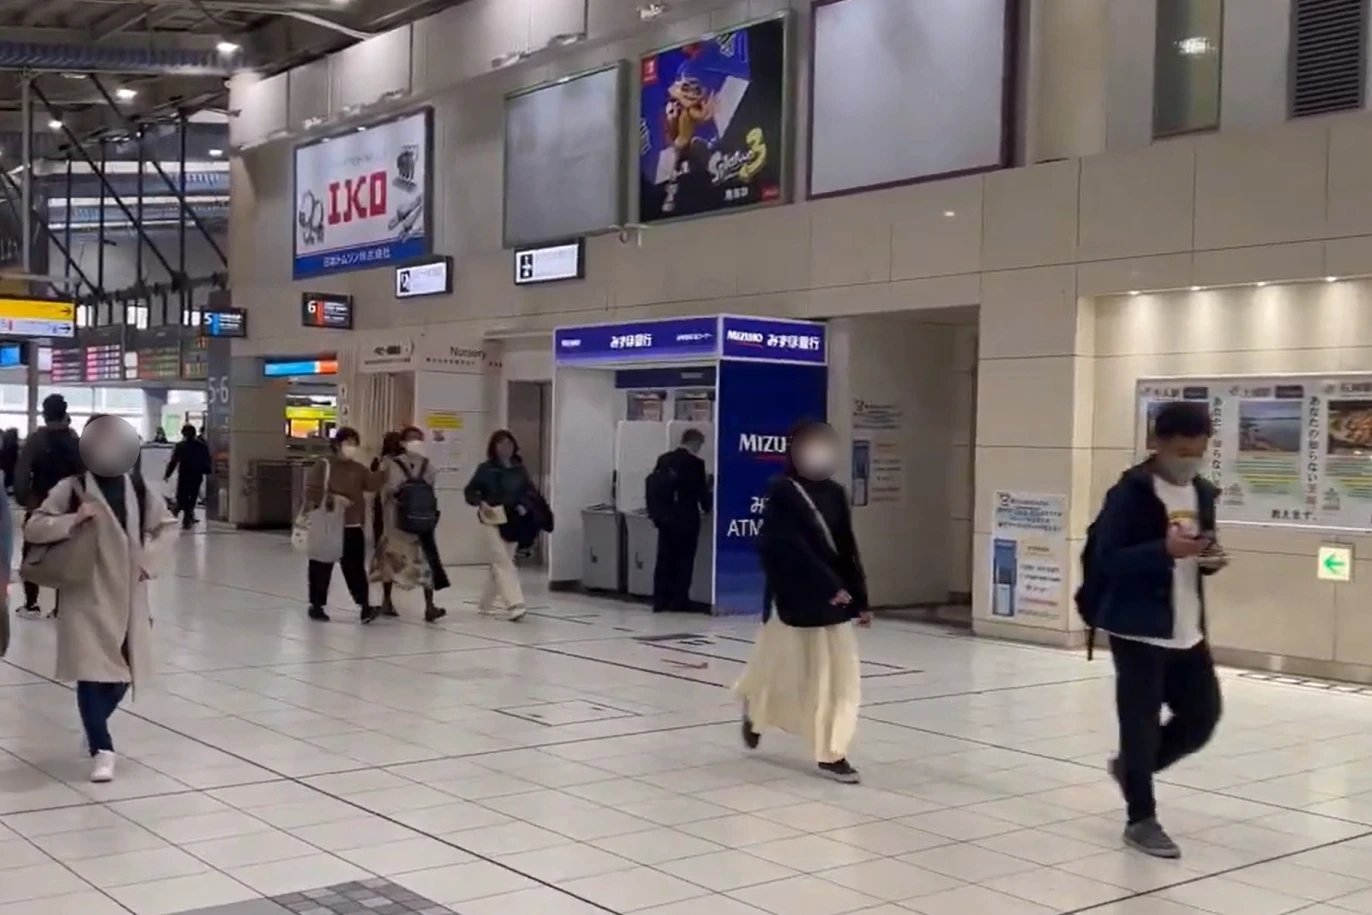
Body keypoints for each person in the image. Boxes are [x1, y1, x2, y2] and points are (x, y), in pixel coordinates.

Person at [1086, 401, 1225, 859]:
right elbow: (1108, 560)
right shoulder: (1129, 494)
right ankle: (1140, 818)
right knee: (1140, 724)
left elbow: (1200, 551)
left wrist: (1209, 558)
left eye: (1198, 451)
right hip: (1138, 627)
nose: (1189, 460)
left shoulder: (1202, 492)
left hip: (1187, 627)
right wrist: (1162, 549)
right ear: (1157, 444)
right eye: (1181, 450)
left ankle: (1132, 771)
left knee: (1202, 718)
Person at [24, 415, 177, 782]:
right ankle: (102, 748)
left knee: (123, 674)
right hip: (85, 595)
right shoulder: (72, 488)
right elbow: (34, 525)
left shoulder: (138, 487)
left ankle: (94, 728)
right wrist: (74, 519)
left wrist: (147, 563)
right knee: (92, 674)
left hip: (128, 595)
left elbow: (166, 527)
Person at [735, 421, 871, 784]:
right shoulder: (783, 491)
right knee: (778, 671)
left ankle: (832, 752)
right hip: (794, 599)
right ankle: (756, 709)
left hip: (834, 602)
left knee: (837, 679)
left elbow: (845, 546)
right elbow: (786, 546)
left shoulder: (836, 493)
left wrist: (859, 597)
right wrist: (829, 585)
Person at [372, 426, 451, 623]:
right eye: (412, 438)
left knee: (425, 564)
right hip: (396, 524)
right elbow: (383, 491)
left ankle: (429, 605)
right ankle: (387, 600)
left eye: (419, 438)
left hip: (413, 522)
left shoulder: (427, 465)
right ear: (403, 442)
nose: (416, 442)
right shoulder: (391, 465)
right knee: (391, 561)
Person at [14, 395, 83, 619]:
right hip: (71, 508)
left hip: (41, 504)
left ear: (44, 413)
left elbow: (22, 475)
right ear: (65, 413)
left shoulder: (37, 440)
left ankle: (31, 605)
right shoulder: (76, 441)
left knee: (32, 556)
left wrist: (27, 500)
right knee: (67, 558)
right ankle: (61, 609)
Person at [304, 427, 381, 623]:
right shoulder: (324, 466)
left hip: (352, 525)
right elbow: (312, 493)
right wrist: (334, 499)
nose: (351, 448)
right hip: (329, 524)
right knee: (321, 565)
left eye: (354, 444)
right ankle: (317, 605)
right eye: (348, 443)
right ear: (337, 445)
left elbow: (372, 484)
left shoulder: (358, 469)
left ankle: (364, 605)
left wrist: (383, 468)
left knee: (354, 567)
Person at [464, 430, 539, 621]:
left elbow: (530, 492)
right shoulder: (486, 469)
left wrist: (524, 505)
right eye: (501, 444)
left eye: (508, 443)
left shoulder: (519, 469)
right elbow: (471, 491)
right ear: (494, 447)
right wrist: (481, 502)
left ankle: (485, 602)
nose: (505, 447)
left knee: (500, 562)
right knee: (503, 561)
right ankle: (515, 603)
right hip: (492, 517)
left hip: (513, 520)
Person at [647, 428, 711, 612]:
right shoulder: (696, 463)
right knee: (684, 560)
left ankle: (660, 600)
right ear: (695, 443)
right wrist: (708, 508)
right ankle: (679, 599)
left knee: (664, 559)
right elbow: (701, 493)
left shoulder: (664, 459)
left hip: (665, 518)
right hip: (686, 518)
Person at [371, 431, 404, 617]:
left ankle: (387, 600)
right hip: (389, 517)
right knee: (388, 557)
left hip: (391, 517)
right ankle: (387, 599)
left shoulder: (406, 463)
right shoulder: (383, 463)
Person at [164, 424, 212, 531]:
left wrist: (167, 474)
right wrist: (208, 471)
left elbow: (174, 462)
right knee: (192, 497)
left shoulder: (180, 446)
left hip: (184, 475)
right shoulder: (202, 446)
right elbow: (207, 460)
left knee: (182, 496)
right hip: (196, 475)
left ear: (183, 434)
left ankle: (181, 515)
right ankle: (187, 517)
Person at [0, 428, 20, 494]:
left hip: (4, 467)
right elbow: (15, 458)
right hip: (10, 468)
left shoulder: (5, 445)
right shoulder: (14, 445)